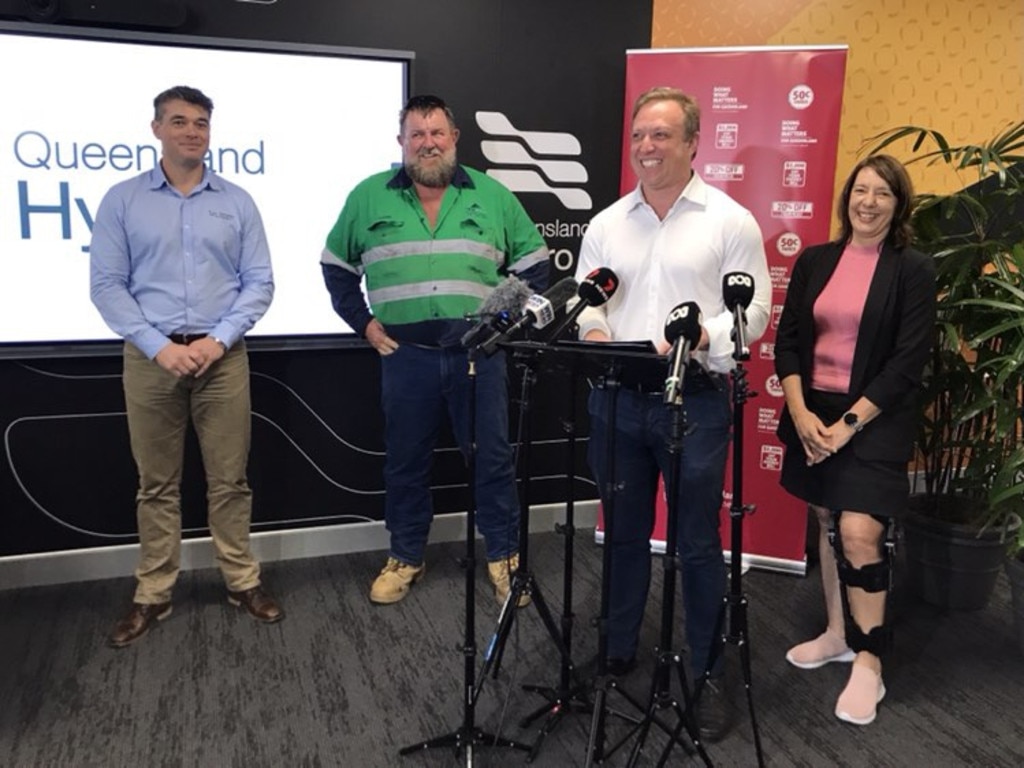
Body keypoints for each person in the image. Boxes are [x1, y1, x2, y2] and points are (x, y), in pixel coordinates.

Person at [573, 86, 771, 740]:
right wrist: (595, 332)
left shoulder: (729, 220)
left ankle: (708, 672)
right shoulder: (607, 222)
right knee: (622, 533)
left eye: (661, 136)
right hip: (618, 397)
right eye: (639, 136)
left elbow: (755, 314)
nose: (646, 148)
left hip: (696, 404)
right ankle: (618, 649)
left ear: (692, 143)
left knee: (695, 543)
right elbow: (591, 300)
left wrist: (702, 336)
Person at [321, 94, 549, 606]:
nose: (427, 143)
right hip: (406, 357)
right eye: (417, 134)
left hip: (479, 357)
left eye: (436, 133)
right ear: (401, 142)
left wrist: (504, 325)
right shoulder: (367, 196)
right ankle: (405, 557)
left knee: (491, 459)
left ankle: (505, 559)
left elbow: (536, 266)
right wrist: (364, 324)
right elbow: (336, 267)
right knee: (405, 461)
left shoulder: (492, 196)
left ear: (454, 139)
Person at [90, 85, 283, 648]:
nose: (191, 131)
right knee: (156, 485)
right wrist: (160, 346)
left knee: (230, 480)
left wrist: (218, 340)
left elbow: (259, 283)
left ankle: (242, 582)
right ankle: (153, 593)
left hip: (223, 359)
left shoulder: (237, 201)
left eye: (200, 123)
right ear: (156, 129)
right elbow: (106, 286)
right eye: (179, 121)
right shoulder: (122, 201)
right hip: (152, 361)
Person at [775, 154, 936, 725]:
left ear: (899, 205)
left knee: (859, 530)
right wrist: (799, 413)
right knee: (824, 518)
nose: (867, 202)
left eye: (882, 194)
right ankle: (839, 634)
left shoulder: (913, 270)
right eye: (860, 190)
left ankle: (870, 661)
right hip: (813, 410)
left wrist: (847, 426)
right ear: (847, 197)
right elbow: (788, 338)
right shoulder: (817, 261)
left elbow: (906, 363)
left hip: (874, 413)